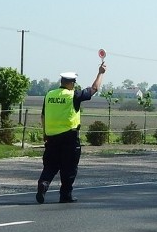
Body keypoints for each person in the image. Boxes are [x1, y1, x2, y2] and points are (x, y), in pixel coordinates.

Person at [35, 63, 106, 203]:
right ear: (71, 83)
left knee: (50, 166)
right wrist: (101, 73)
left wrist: (45, 133)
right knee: (69, 167)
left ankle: (43, 184)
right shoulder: (74, 95)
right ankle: (65, 195)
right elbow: (94, 89)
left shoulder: (49, 95)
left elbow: (43, 116)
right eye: (74, 82)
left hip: (51, 137)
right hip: (69, 138)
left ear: (61, 82)